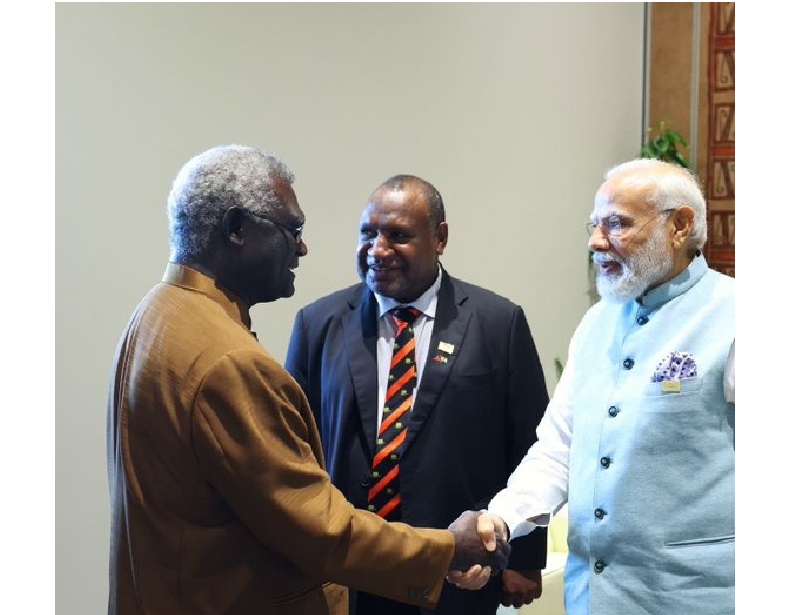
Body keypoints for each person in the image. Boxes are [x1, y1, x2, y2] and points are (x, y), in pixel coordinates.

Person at [106, 145, 511, 615]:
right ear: (237, 229)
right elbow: (319, 528)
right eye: (291, 230)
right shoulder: (231, 360)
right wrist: (445, 549)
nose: (302, 248)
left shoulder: (157, 313)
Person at [454, 158, 736, 615]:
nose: (595, 240)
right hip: (594, 597)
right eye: (594, 225)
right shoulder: (596, 324)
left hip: (699, 595)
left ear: (681, 225)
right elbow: (559, 447)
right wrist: (501, 520)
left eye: (617, 224)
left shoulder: (735, 314)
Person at [284, 174, 551, 615]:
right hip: (349, 567)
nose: (378, 250)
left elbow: (528, 442)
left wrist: (522, 559)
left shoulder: (497, 323)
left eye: (398, 235)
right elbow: (295, 447)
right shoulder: (318, 323)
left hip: (458, 569)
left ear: (440, 238)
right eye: (368, 233)